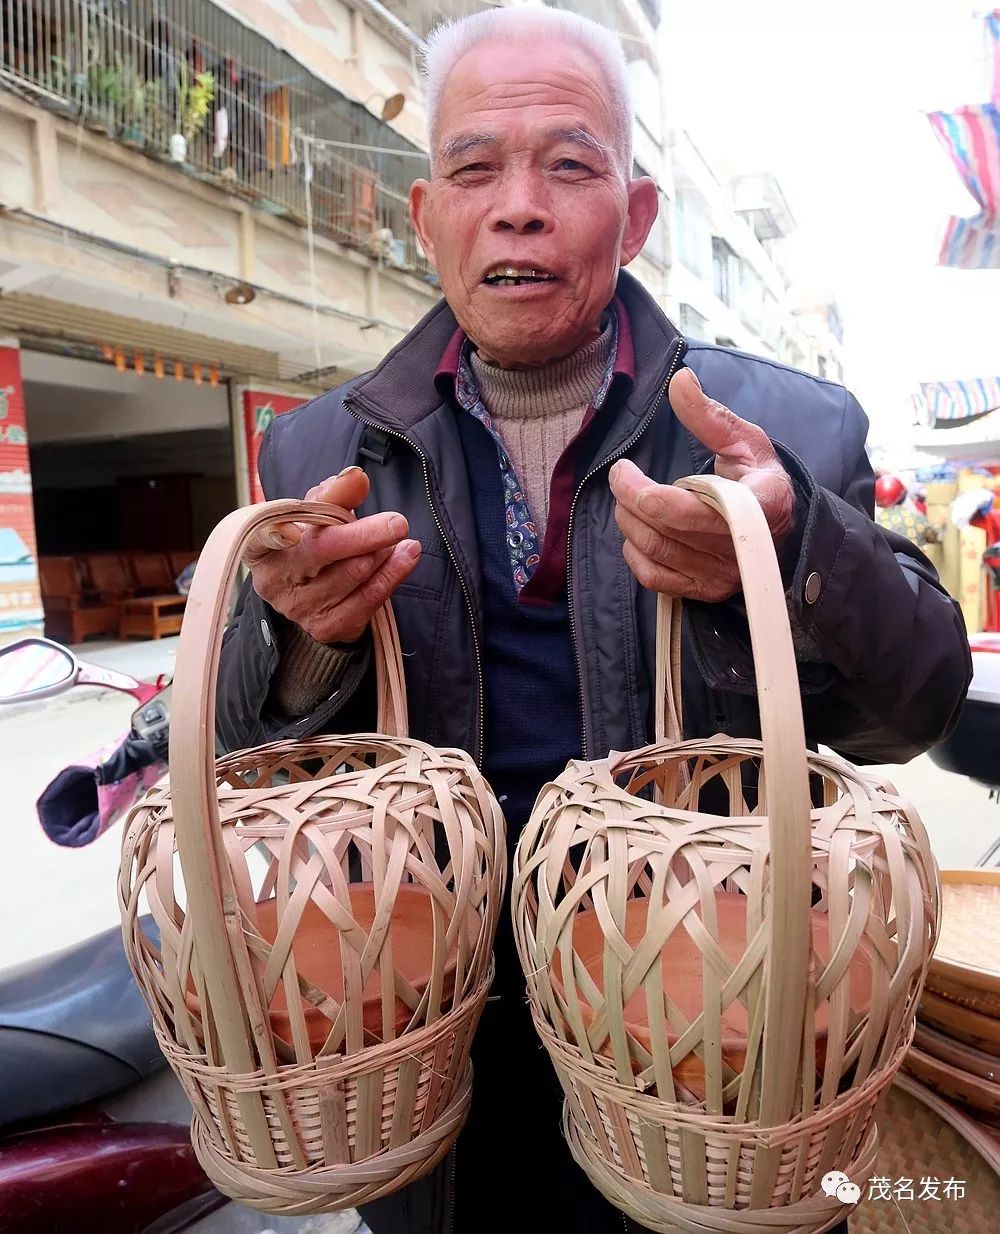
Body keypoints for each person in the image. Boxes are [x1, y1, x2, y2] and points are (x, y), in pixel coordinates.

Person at [216, 8, 971, 1233]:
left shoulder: (789, 432)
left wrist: (786, 551)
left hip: (709, 1036)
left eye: (570, 166)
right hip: (433, 1044)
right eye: (475, 170)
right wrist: (305, 637)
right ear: (426, 217)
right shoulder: (316, 451)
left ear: (637, 214)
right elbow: (249, 760)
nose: (518, 208)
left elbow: (917, 708)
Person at [875, 473, 940, 548]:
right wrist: (938, 525)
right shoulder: (917, 518)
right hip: (913, 555)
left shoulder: (875, 522)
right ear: (903, 495)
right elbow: (933, 538)